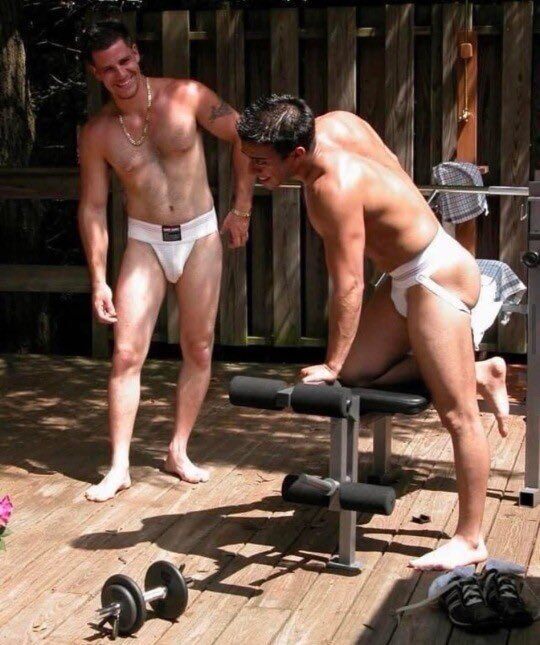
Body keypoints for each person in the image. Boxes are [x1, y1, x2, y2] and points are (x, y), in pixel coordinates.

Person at [237, 95, 501, 571]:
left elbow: (349, 286)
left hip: (435, 277)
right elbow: (395, 169)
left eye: (260, 162)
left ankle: (470, 538)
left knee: (458, 415)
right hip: (402, 274)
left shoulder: (330, 189)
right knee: (358, 376)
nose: (252, 171)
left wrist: (331, 362)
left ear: (297, 153)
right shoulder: (336, 124)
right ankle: (478, 372)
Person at [78, 20, 253, 502]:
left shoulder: (186, 95)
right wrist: (98, 280)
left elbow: (245, 134)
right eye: (108, 69)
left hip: (199, 236)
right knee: (126, 353)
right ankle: (119, 466)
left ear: (137, 54)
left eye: (125, 61)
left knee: (198, 347)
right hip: (144, 241)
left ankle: (178, 450)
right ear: (96, 74)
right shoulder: (97, 133)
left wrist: (241, 207)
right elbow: (93, 207)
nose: (121, 74)